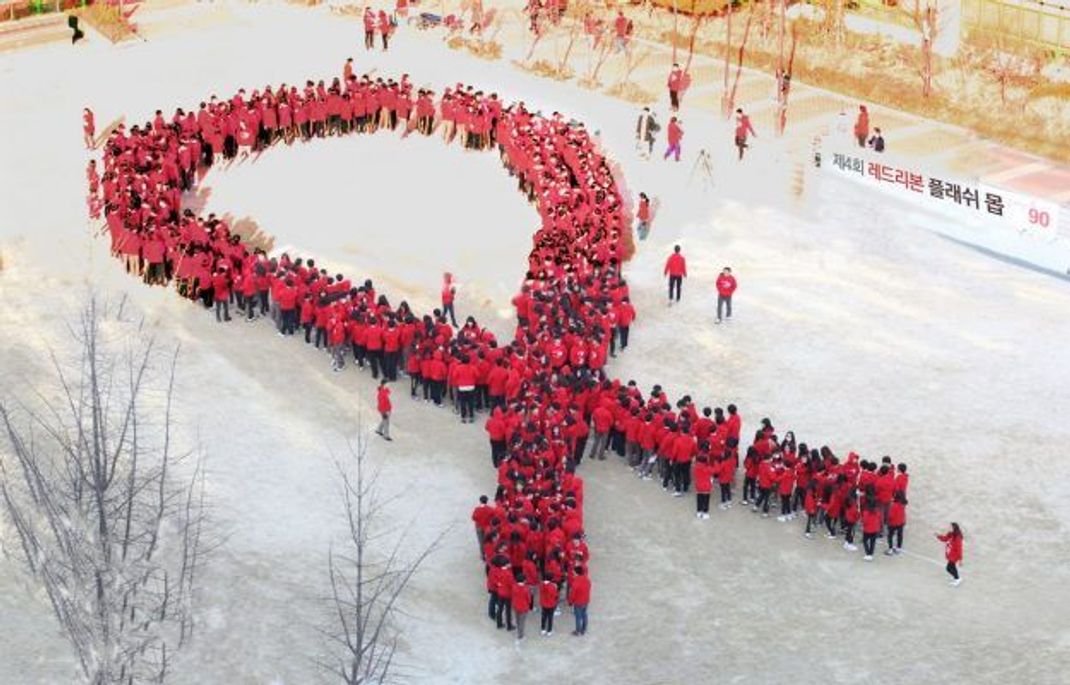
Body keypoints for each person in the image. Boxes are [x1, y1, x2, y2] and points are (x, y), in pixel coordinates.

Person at [568, 566, 590, 636]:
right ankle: (584, 629)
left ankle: (578, 631)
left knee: (578, 617)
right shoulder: (587, 580)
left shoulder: (575, 583)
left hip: (578, 602)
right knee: (584, 614)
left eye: (574, 572)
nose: (573, 573)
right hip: (585, 600)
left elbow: (572, 594)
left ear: (576, 573)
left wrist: (570, 602)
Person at [885, 491, 907, 555]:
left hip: (893, 523)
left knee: (890, 536)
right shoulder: (903, 504)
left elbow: (891, 516)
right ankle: (898, 548)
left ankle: (890, 549)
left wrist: (887, 521)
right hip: (901, 522)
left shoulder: (894, 505)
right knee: (900, 535)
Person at [512, 572, 532, 641]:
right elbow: (528, 599)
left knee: (517, 618)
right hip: (523, 607)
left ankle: (518, 629)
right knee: (522, 621)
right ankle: (520, 635)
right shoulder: (526, 589)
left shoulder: (514, 586)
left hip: (516, 605)